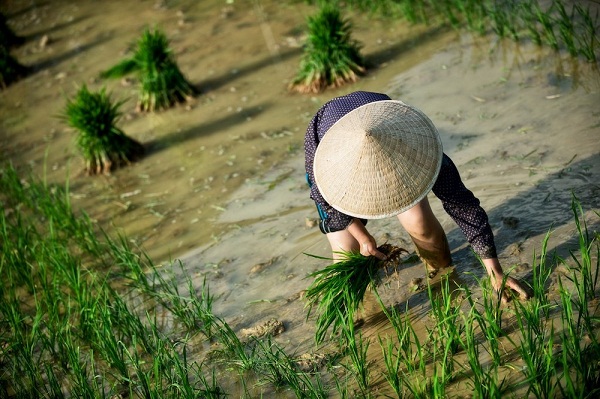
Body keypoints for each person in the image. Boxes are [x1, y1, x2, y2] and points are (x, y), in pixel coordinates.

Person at [304, 91, 529, 301]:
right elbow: (326, 201)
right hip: (333, 145)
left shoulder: (421, 153)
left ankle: (442, 276)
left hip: (382, 127)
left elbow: (465, 208)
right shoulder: (328, 166)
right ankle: (356, 308)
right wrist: (363, 237)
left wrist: (495, 271)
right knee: (347, 250)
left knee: (420, 224)